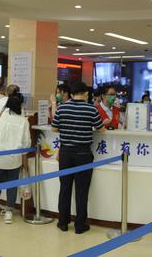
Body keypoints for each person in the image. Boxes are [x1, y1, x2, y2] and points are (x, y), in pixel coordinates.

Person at [51, 81, 104, 234]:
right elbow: (101, 129)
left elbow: (54, 128)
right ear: (86, 94)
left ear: (72, 93)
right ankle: (80, 225)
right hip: (83, 154)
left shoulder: (62, 108)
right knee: (82, 190)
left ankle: (63, 222)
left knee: (65, 188)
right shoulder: (91, 109)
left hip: (66, 153)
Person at [0, 93, 31, 224]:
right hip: (14, 159)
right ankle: (9, 212)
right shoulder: (23, 121)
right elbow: (26, 143)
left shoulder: (0, 116)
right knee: (12, 185)